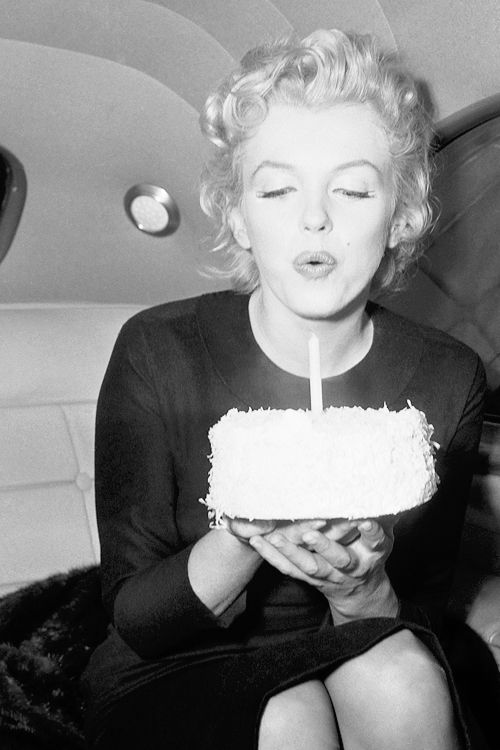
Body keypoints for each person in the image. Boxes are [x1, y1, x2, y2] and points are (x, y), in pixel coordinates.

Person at [82, 29, 488, 749]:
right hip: (178, 657)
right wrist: (244, 532)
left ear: (400, 216)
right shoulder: (157, 351)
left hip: (360, 628)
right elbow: (136, 617)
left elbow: (423, 604)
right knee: (290, 713)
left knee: (403, 683)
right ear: (238, 214)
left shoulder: (447, 377)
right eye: (277, 189)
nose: (314, 218)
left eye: (354, 189)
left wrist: (358, 587)